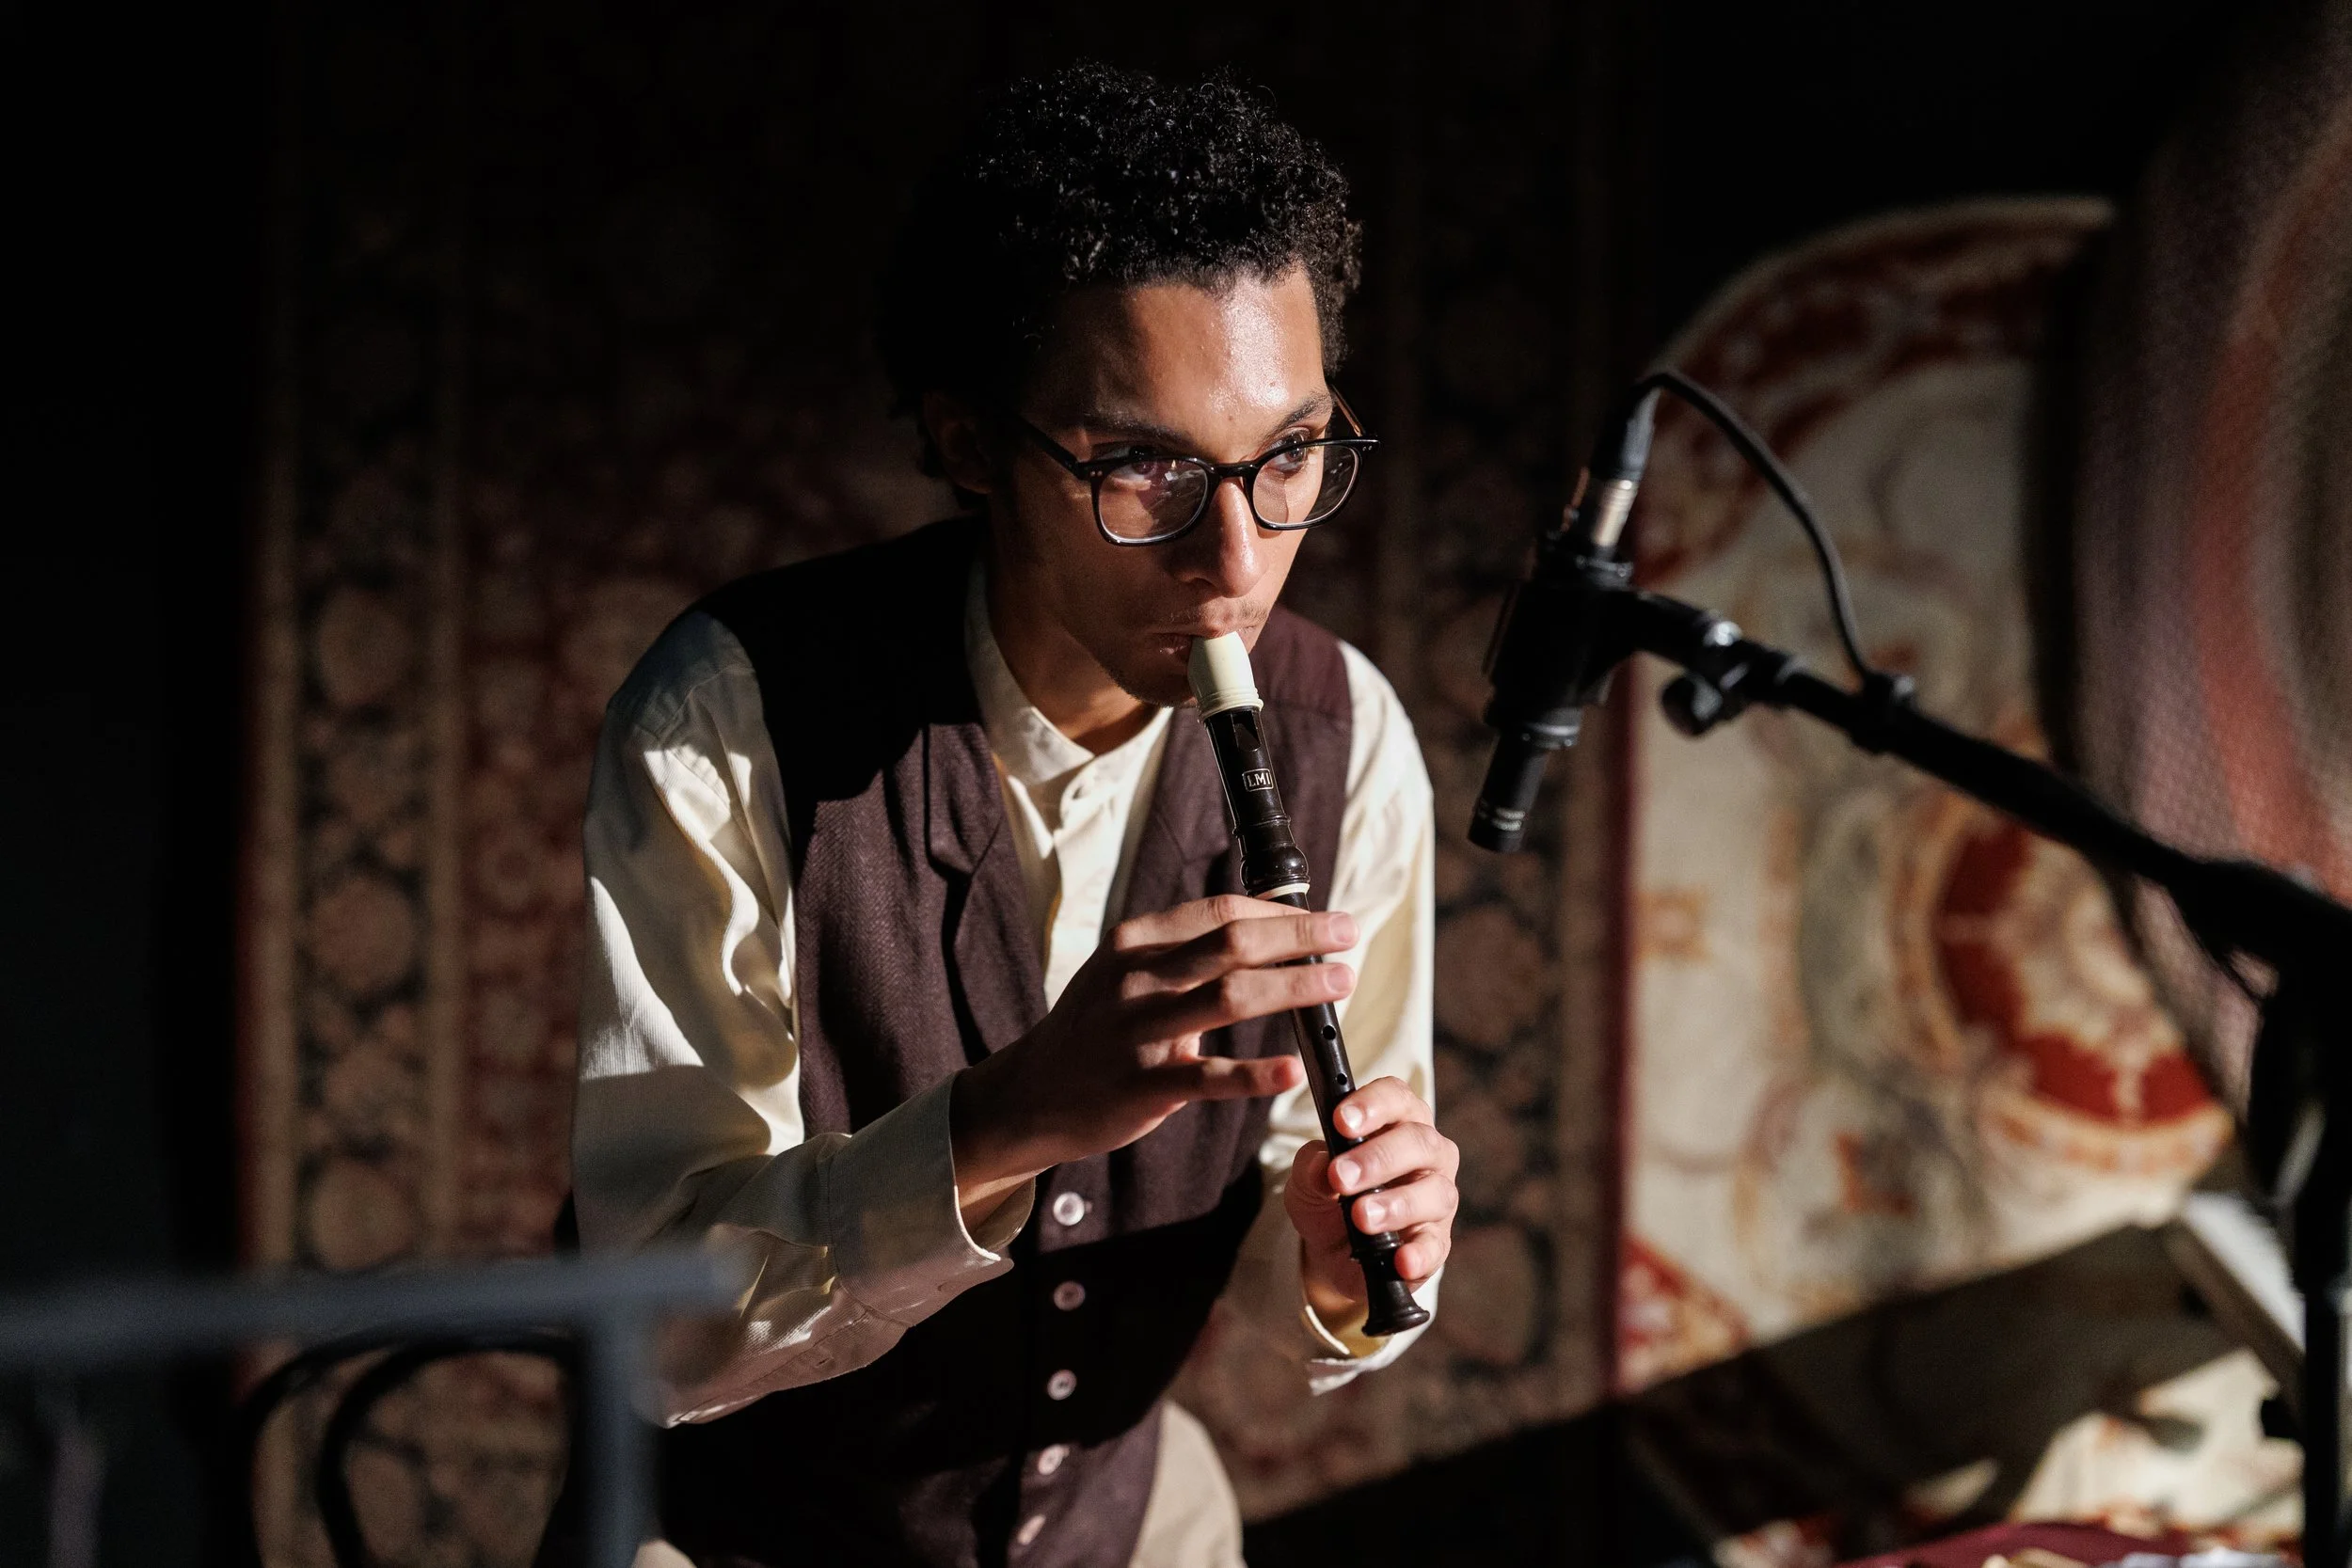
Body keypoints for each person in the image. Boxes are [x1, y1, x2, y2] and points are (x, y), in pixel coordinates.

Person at [562, 60, 1455, 1568]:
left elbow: (1338, 1275)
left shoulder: (1348, 736)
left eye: (1290, 454)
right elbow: (654, 1332)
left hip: (1131, 1534)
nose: (1235, 560)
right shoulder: (726, 718)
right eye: (1144, 470)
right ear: (973, 447)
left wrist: (1356, 1262)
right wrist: (1012, 1118)